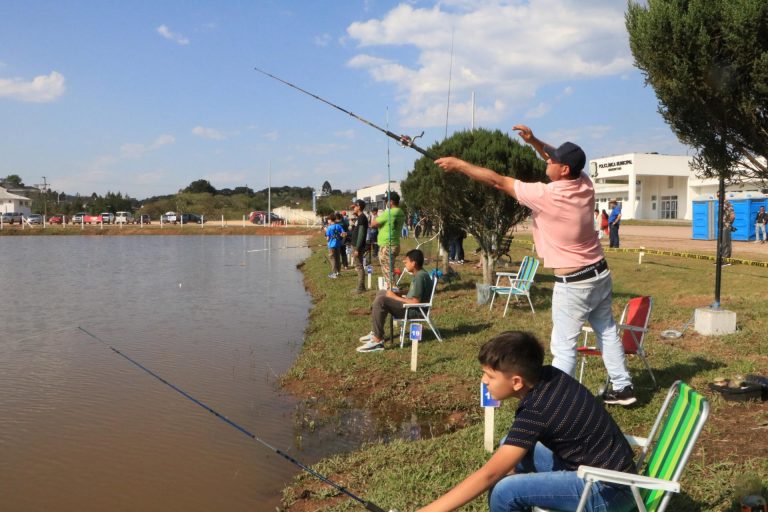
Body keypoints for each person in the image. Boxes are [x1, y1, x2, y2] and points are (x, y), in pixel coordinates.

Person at [436, 124, 635, 405]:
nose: (547, 159)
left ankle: (554, 403)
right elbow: (552, 158)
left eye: (552, 160)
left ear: (564, 169)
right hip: (599, 273)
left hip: (574, 283)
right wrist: (534, 142)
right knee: (607, 331)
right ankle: (623, 387)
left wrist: (459, 164)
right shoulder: (585, 183)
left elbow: (497, 181)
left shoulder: (547, 195)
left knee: (564, 346)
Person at [416, 331, 636, 512]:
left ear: (517, 382)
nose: (484, 381)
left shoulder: (536, 410)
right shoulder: (549, 376)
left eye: (490, 377)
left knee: (505, 491)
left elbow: (489, 474)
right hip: (603, 472)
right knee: (507, 447)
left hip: (607, 492)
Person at [358, 249, 432, 353]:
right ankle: (375, 332)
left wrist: (394, 297)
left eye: (406, 261)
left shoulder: (420, 277)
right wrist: (397, 293)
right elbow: (413, 294)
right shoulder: (420, 274)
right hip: (410, 307)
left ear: (414, 263)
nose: (404, 263)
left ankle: (377, 341)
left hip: (415, 311)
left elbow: (416, 302)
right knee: (382, 293)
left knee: (381, 300)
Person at [371, 191, 406, 289]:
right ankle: (391, 286)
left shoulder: (389, 213)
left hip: (387, 245)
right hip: (395, 243)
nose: (385, 203)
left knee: (387, 269)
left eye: (386, 201)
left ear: (391, 201)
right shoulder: (401, 212)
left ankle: (392, 288)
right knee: (390, 267)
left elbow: (373, 224)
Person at [350, 199, 369, 293]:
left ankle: (361, 288)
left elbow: (361, 234)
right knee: (358, 265)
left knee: (359, 266)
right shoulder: (359, 217)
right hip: (355, 245)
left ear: (359, 207)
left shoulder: (362, 218)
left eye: (354, 207)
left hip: (357, 246)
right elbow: (357, 232)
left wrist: (357, 248)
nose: (353, 208)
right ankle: (361, 287)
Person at [325, 214, 345, 278]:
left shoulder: (329, 228)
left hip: (331, 246)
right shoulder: (338, 226)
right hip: (338, 245)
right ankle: (338, 272)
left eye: (328, 220)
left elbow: (327, 238)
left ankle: (334, 273)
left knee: (332, 259)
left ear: (330, 220)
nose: (328, 221)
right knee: (338, 258)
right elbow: (343, 234)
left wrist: (326, 232)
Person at [718, 191, 735, 264]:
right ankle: (720, 260)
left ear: (724, 196)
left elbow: (732, 215)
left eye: (720, 195)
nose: (719, 197)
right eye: (718, 196)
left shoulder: (728, 203)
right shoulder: (721, 204)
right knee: (720, 243)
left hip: (726, 226)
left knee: (726, 243)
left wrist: (729, 224)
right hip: (721, 226)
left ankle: (727, 261)